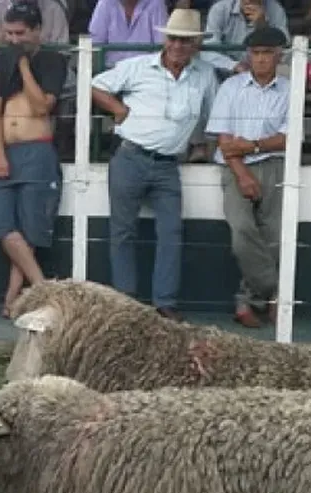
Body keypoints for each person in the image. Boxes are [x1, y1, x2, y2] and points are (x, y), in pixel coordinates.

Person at [90, 8, 218, 322]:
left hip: (168, 164)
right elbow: (94, 85)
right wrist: (119, 110)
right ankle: (125, 303)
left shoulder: (204, 75)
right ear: (165, 39)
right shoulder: (137, 66)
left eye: (186, 41)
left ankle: (164, 303)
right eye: (174, 38)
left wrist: (201, 145)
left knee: (172, 232)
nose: (178, 46)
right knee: (122, 231)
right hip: (131, 155)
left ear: (195, 44)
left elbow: (212, 116)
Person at [0, 1, 68, 317]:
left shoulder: (51, 60)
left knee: (31, 229)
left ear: (37, 31)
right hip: (5, 151)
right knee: (1, 225)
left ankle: (13, 298)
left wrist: (22, 65)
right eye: (9, 33)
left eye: (20, 33)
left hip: (38, 150)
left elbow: (41, 107)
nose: (14, 40)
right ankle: (42, 288)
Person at [205, 26, 289, 327]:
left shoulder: (290, 90)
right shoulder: (231, 87)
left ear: (279, 55)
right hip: (234, 166)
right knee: (242, 232)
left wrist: (253, 144)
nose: (262, 59)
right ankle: (274, 293)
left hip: (275, 165)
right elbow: (225, 142)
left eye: (268, 53)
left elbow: (289, 139)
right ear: (248, 55)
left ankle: (248, 301)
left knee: (273, 238)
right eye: (256, 53)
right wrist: (243, 174)